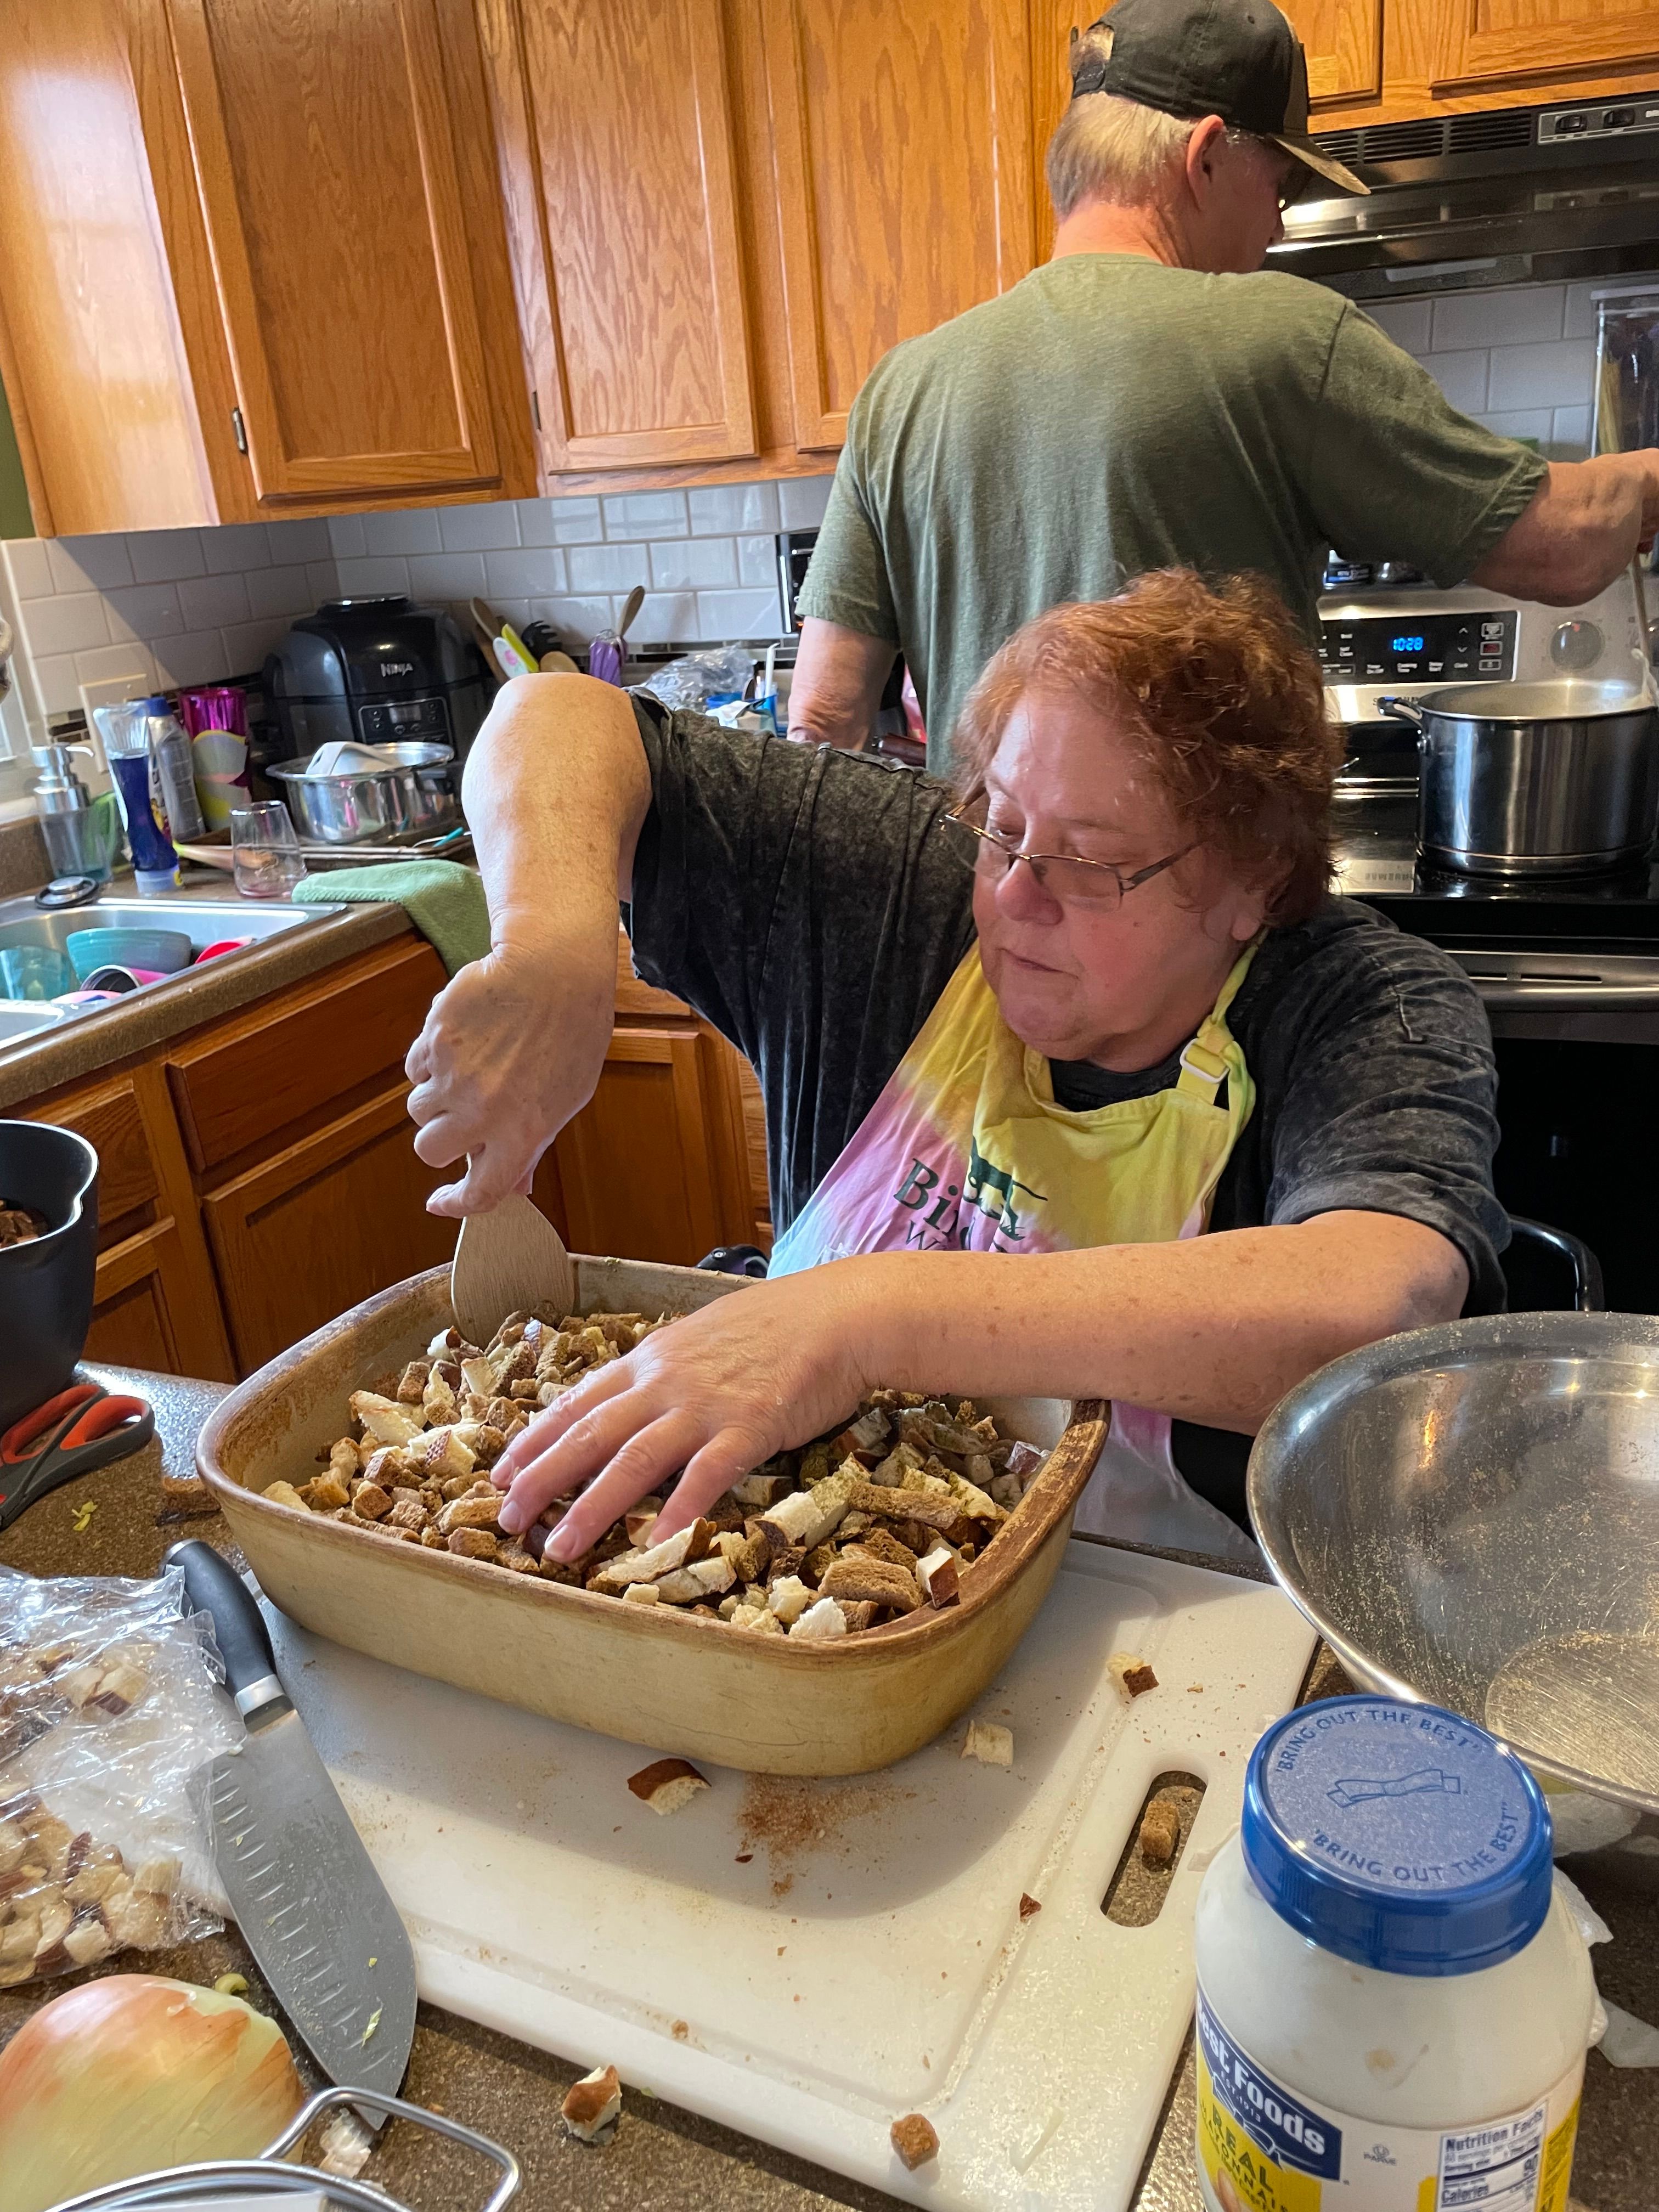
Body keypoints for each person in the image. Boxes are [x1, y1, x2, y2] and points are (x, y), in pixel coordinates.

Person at [404, 568, 1504, 1566]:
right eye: (1003, 826)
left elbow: (1377, 1311)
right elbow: (555, 715)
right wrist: (551, 948)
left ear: (1252, 883)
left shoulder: (1366, 1005)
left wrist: (862, 1320)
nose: (1014, 896)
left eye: (1088, 861)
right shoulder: (904, 886)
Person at [788, 0, 1659, 773]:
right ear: (1204, 155)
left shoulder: (899, 390)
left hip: (995, 897)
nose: (1277, 222)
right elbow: (1565, 544)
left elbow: (822, 720)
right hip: (1214, 909)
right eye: (1281, 183)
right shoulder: (1281, 337)